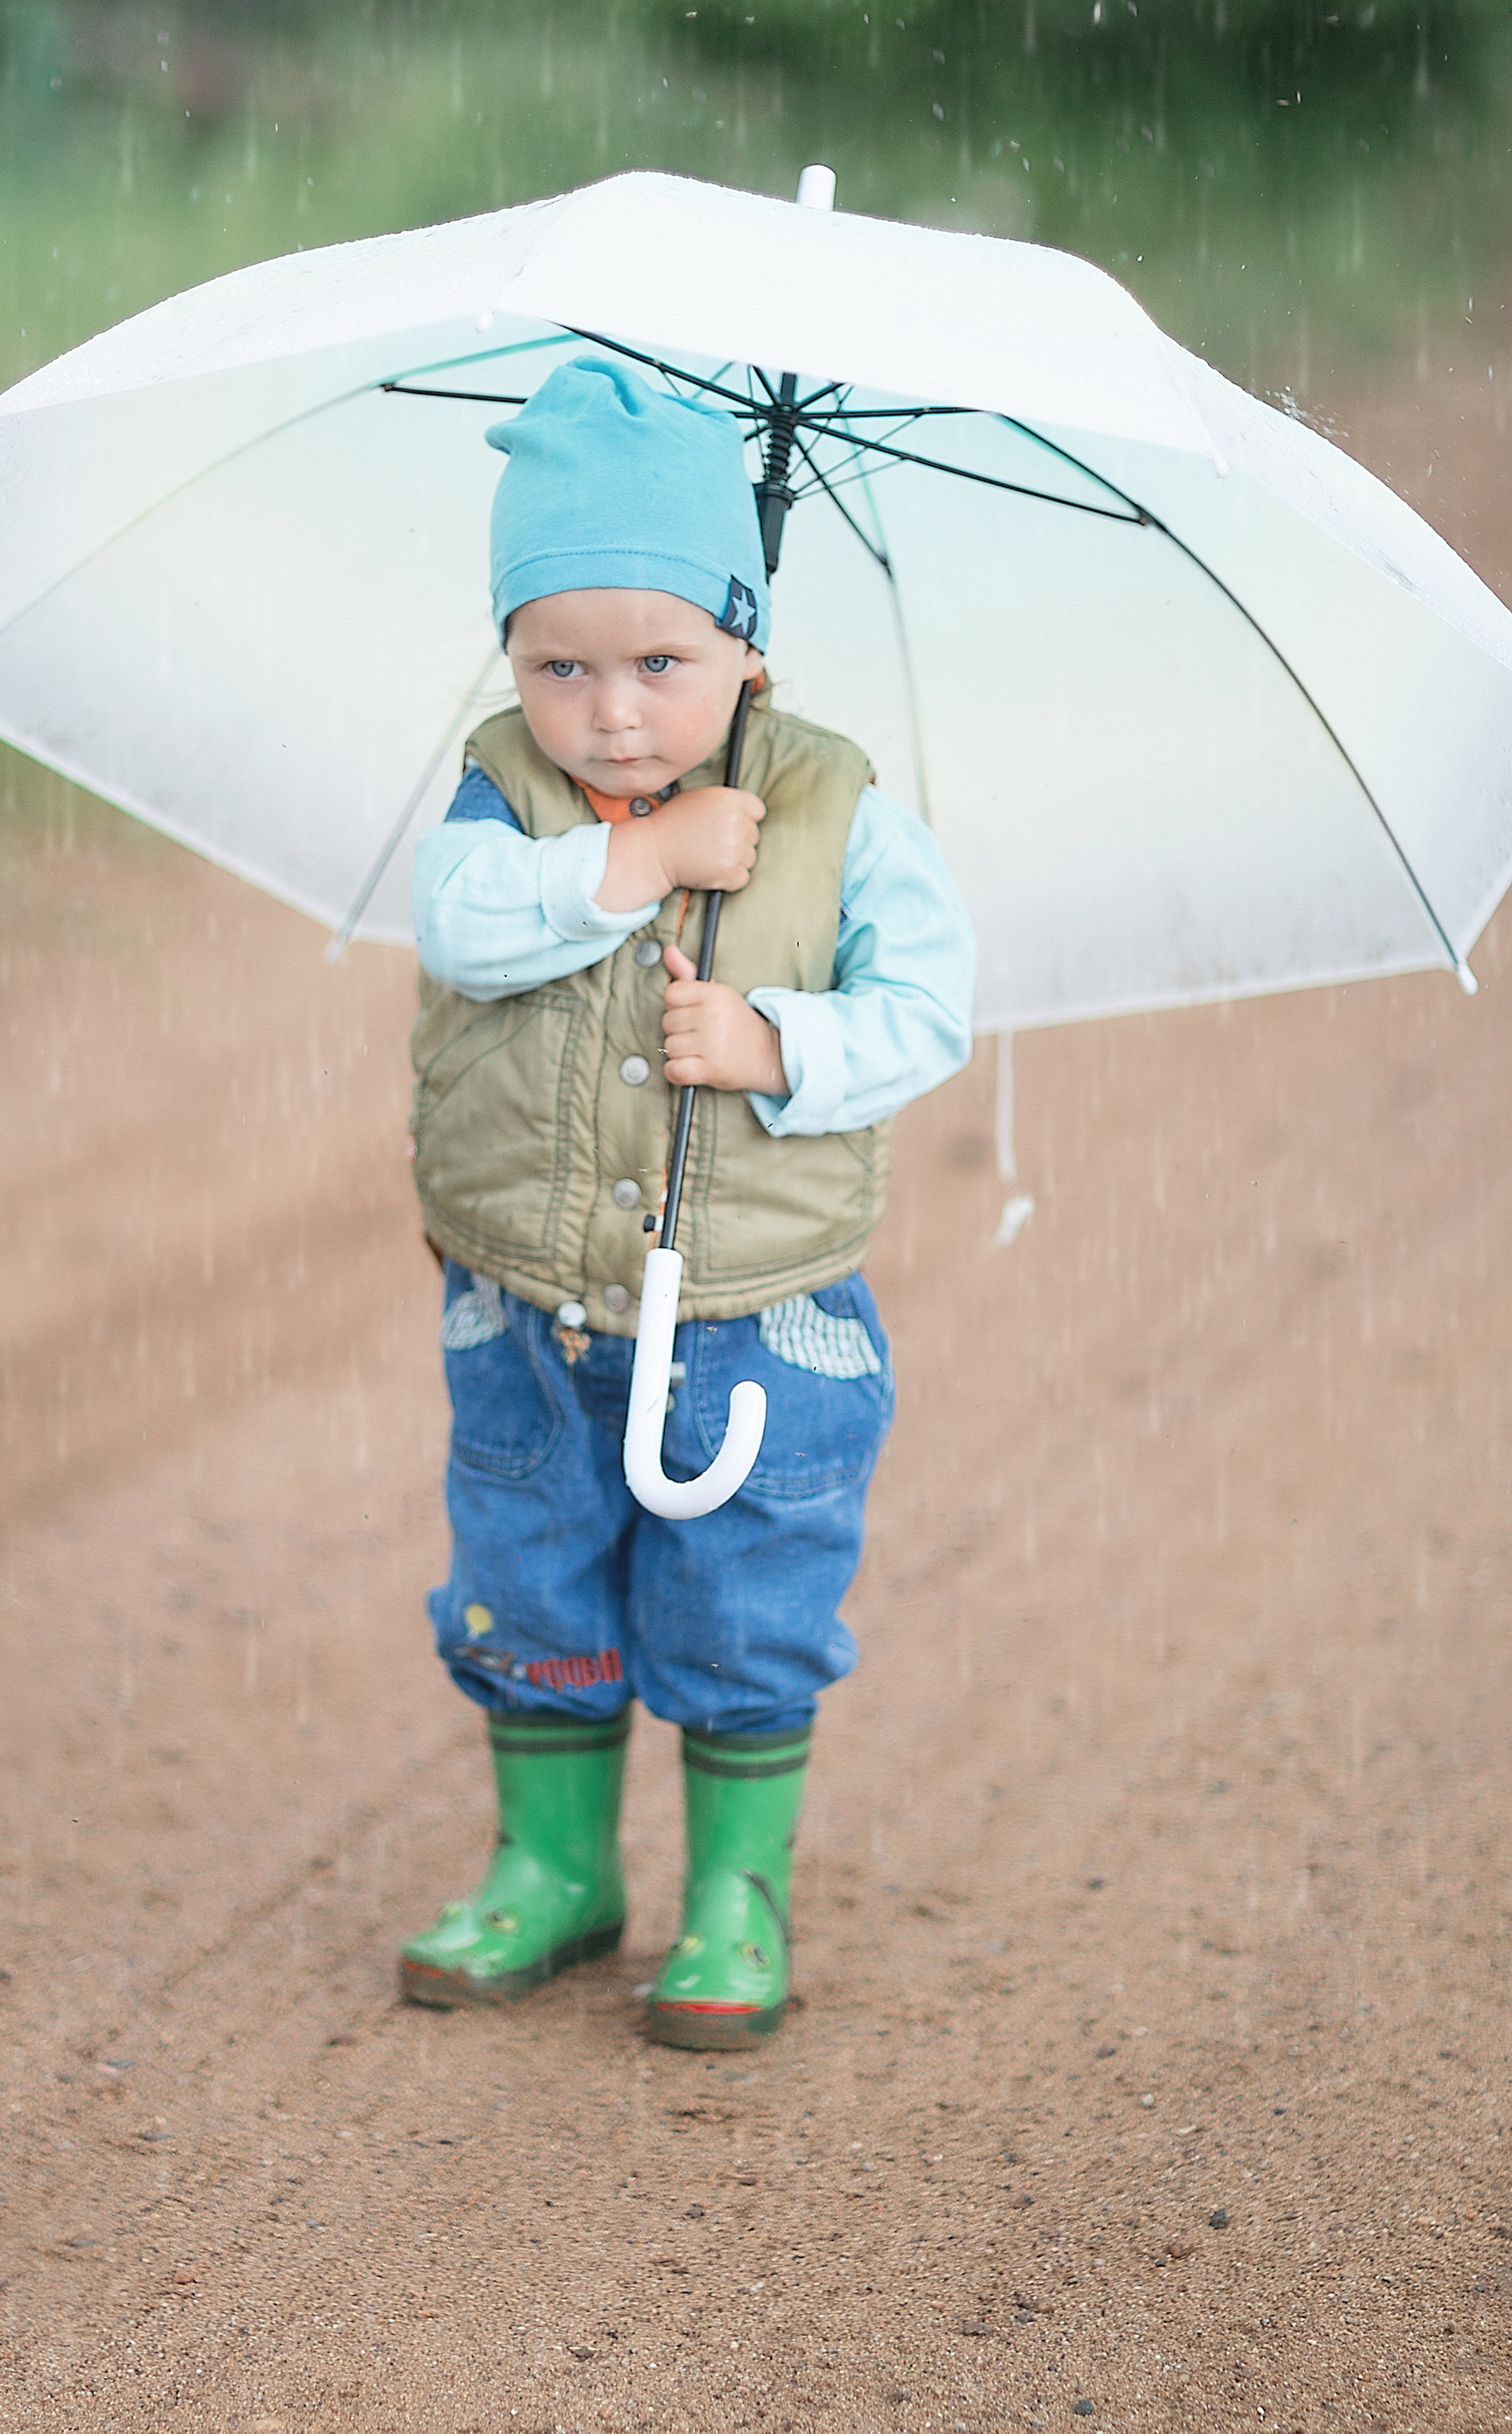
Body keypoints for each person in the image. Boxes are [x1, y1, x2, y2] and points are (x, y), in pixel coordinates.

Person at [399, 355, 974, 2049]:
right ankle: (553, 1865)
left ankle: (737, 1891)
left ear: (746, 648)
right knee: (528, 1581)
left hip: (751, 1315)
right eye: (556, 663)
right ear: (512, 660)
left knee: (743, 1597)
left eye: (661, 663)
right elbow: (464, 927)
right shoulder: (500, 796)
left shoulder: (836, 808)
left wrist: (775, 1039)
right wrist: (638, 860)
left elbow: (926, 1011)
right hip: (526, 1300)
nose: (612, 712)